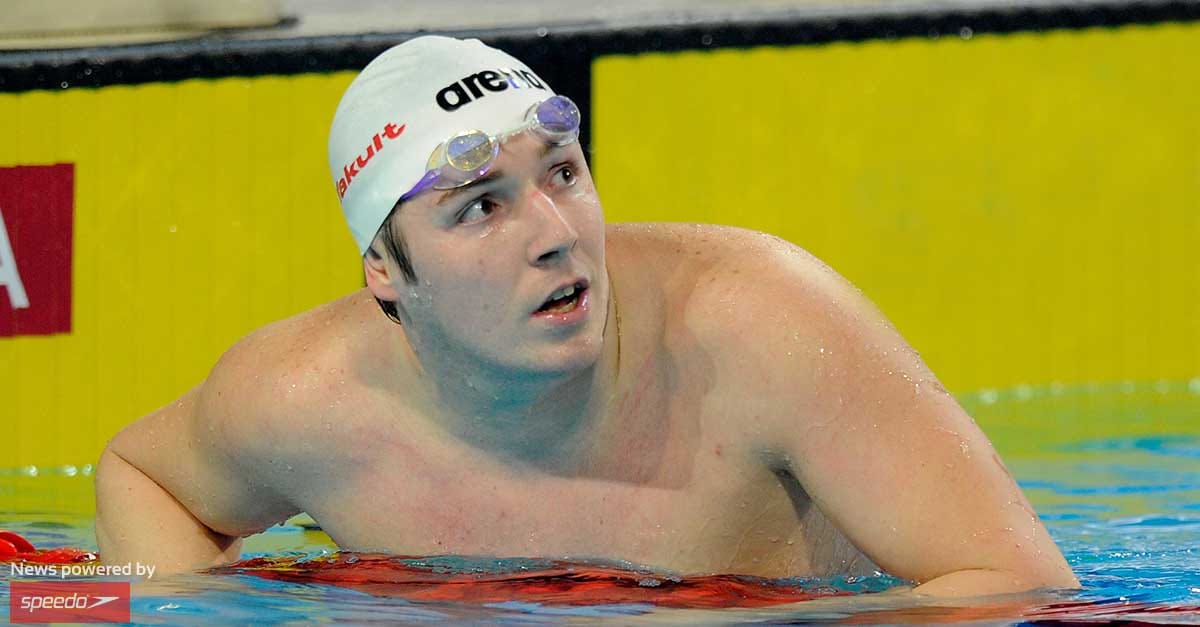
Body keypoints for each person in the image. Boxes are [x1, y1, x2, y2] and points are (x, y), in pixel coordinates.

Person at [95, 35, 1078, 596]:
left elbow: (1020, 587)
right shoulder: (306, 403)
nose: (556, 233)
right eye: (481, 206)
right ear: (386, 272)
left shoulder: (762, 325)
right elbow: (140, 474)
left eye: (563, 174)